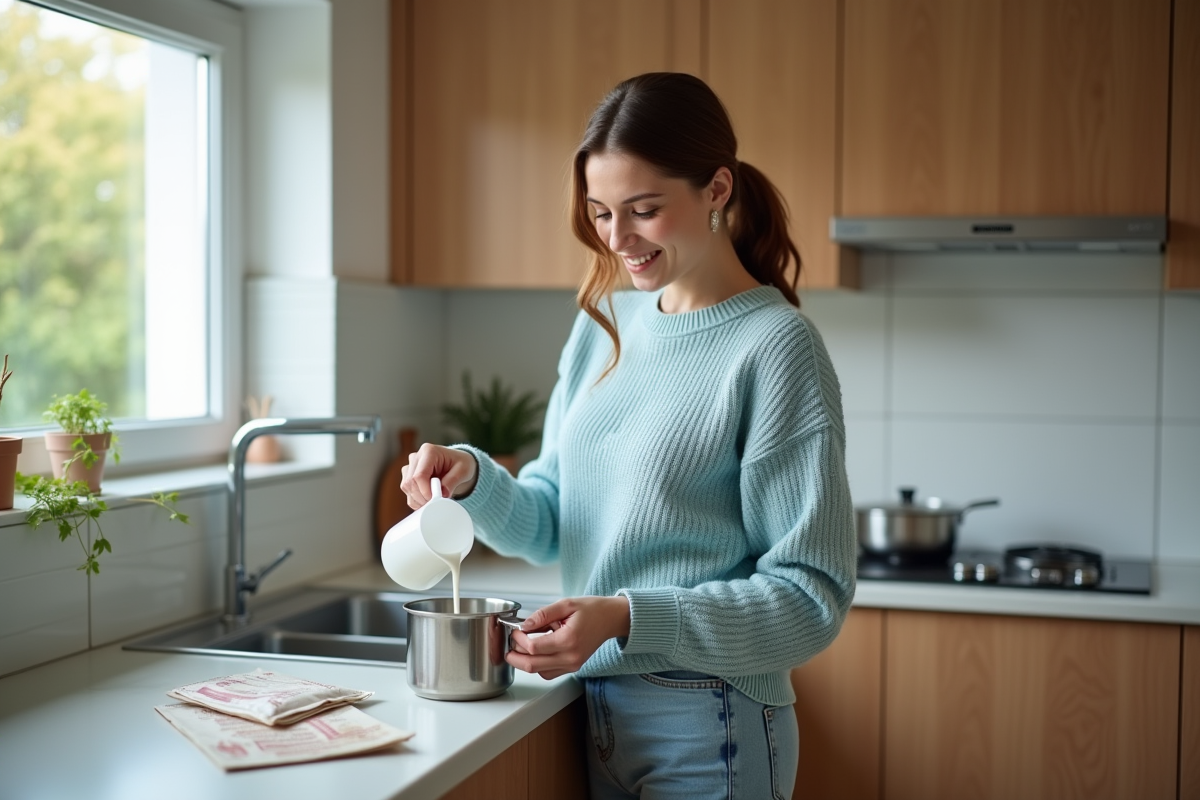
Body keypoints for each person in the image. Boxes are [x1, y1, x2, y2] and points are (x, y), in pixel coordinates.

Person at [400, 72, 857, 800]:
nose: (618, 240)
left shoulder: (775, 347)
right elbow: (552, 522)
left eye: (644, 211)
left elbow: (811, 599)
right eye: (601, 213)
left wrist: (629, 616)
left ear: (716, 189)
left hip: (712, 721)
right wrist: (474, 478)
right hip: (599, 709)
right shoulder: (602, 325)